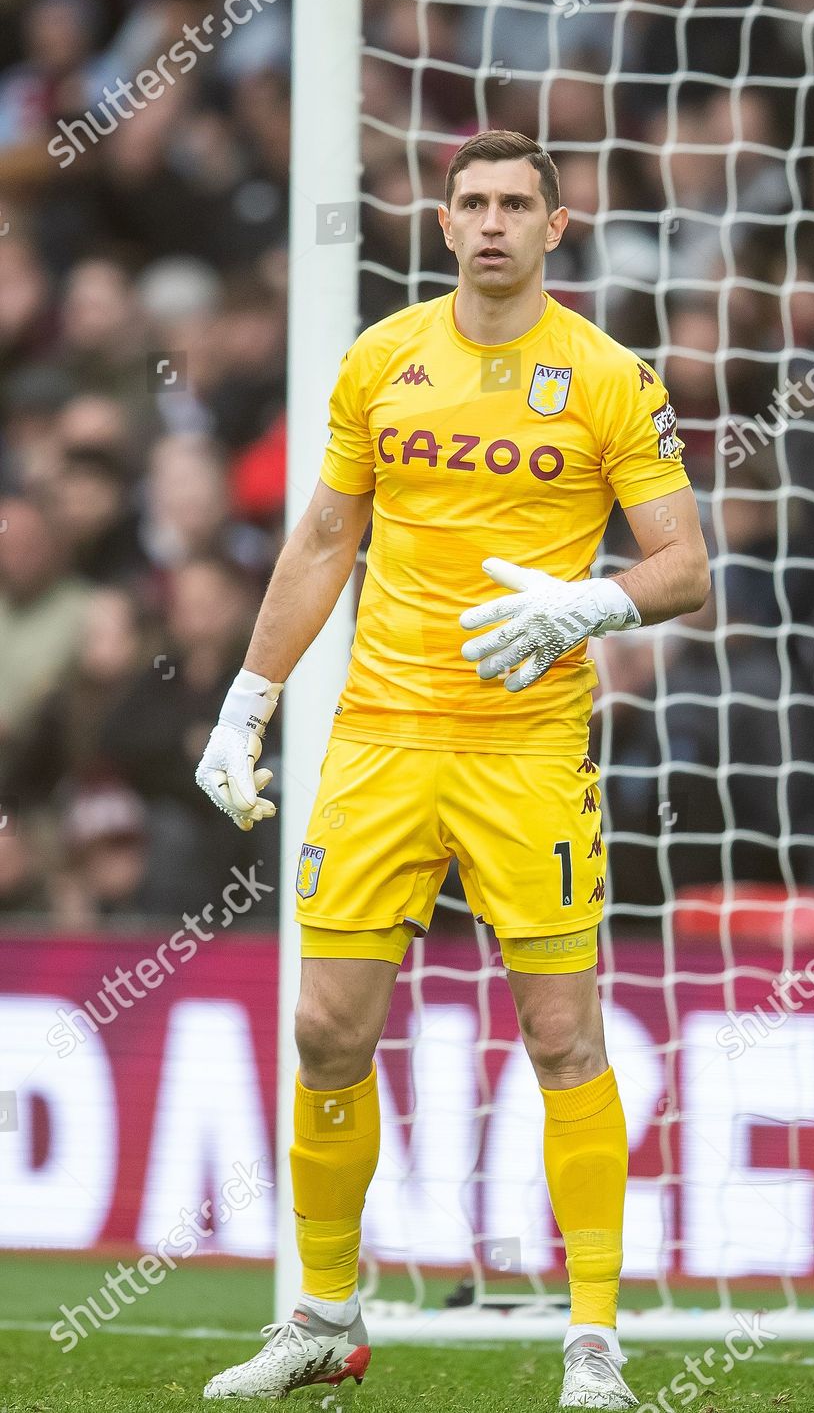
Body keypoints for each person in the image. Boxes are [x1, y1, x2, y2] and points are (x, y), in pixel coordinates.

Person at [195, 129, 710, 1409]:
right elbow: (324, 538)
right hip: (377, 736)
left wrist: (589, 606)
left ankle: (591, 1338)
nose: (490, 223)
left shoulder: (606, 377)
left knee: (561, 1037)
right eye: (469, 203)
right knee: (325, 1030)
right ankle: (321, 1315)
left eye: (514, 204)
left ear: (556, 225)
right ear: (441, 224)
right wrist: (249, 702)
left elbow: (684, 566)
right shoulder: (384, 361)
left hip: (527, 749)